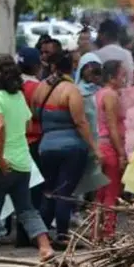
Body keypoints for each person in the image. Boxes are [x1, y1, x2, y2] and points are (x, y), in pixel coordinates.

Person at [0, 55, 54, 260]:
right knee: (26, 209)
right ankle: (45, 246)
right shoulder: (19, 96)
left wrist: (0, 157)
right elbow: (28, 124)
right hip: (22, 163)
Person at [32, 51, 101, 247]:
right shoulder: (71, 90)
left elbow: (34, 115)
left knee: (48, 191)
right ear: (72, 68)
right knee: (64, 192)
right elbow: (80, 122)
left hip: (46, 146)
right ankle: (62, 235)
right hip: (72, 148)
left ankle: (42, 235)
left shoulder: (40, 88)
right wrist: (94, 148)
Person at [94, 61, 128, 240]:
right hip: (110, 148)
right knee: (111, 192)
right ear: (112, 77)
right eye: (122, 74)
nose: (124, 78)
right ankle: (108, 233)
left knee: (100, 192)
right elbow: (113, 127)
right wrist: (121, 153)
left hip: (102, 145)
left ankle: (96, 232)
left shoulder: (100, 93)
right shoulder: (111, 96)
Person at [15, 47, 45, 248]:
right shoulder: (38, 88)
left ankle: (20, 235)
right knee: (34, 191)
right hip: (35, 141)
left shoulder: (13, 88)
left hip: (16, 143)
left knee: (20, 190)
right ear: (37, 66)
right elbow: (39, 114)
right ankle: (32, 235)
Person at [95, 19, 134, 86]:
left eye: (99, 33)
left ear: (104, 35)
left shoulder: (96, 55)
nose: (97, 36)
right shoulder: (127, 54)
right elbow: (130, 80)